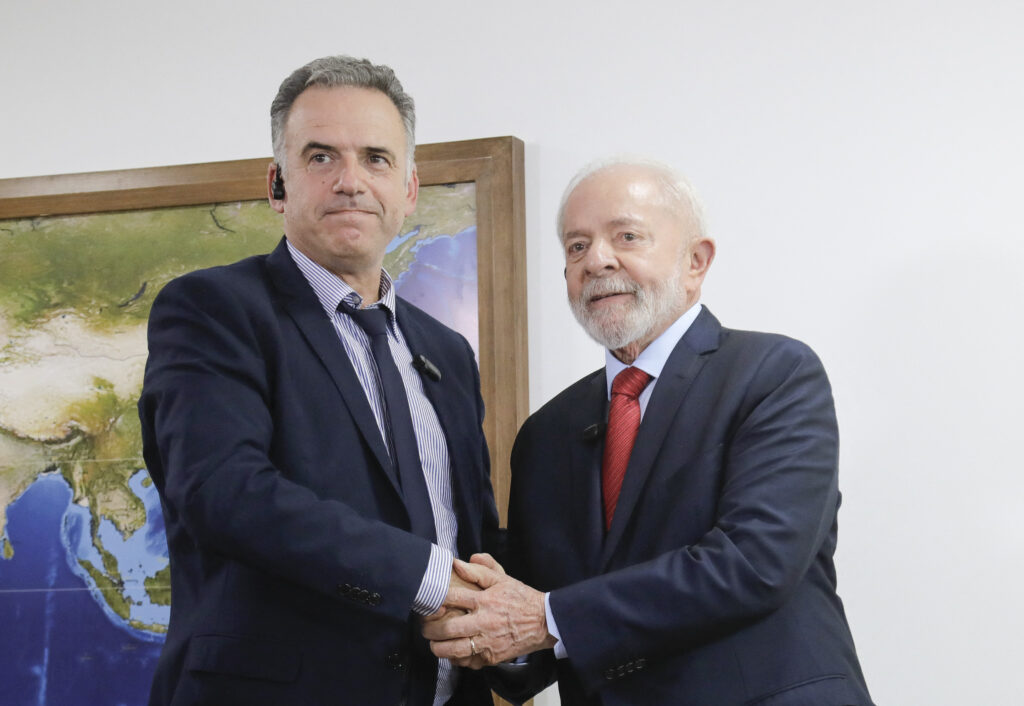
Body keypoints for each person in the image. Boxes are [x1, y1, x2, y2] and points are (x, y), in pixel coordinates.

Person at [424, 159, 874, 705]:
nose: (597, 261)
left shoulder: (773, 374)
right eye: (576, 246)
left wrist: (543, 617)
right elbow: (532, 624)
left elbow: (756, 562)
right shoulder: (546, 434)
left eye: (627, 236)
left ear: (695, 261)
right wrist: (489, 632)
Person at [138, 55, 500, 706]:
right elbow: (225, 492)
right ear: (278, 184)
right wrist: (424, 576)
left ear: (410, 189)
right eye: (321, 157)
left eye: (376, 159)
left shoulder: (447, 352)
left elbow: (468, 529)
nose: (351, 181)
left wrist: (512, 615)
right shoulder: (213, 311)